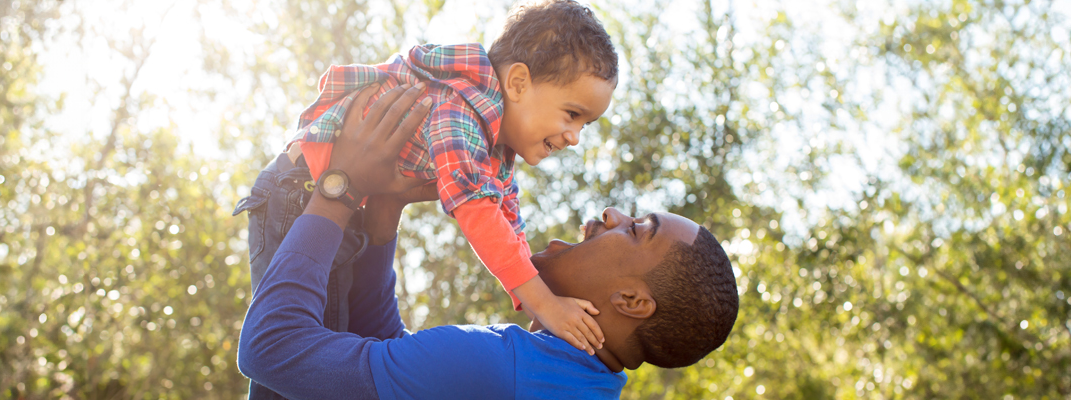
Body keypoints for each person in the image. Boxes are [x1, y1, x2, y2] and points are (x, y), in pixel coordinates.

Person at [238, 85, 739, 399]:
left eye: (636, 229)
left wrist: (339, 188)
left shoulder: (503, 371)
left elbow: (270, 350)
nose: (612, 213)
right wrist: (385, 207)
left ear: (631, 301)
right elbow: (390, 359)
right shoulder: (564, 381)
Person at [247, 0, 620, 356]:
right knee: (299, 343)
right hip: (300, 193)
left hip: (340, 207)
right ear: (519, 83)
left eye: (586, 124)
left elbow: (509, 223)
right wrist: (547, 305)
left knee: (332, 339)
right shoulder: (460, 110)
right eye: (572, 114)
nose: (575, 136)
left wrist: (544, 297)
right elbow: (478, 214)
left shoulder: (496, 148)